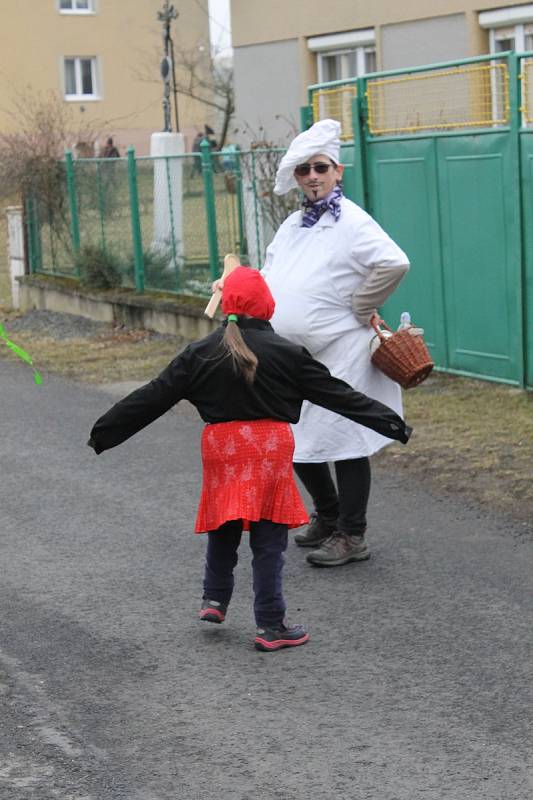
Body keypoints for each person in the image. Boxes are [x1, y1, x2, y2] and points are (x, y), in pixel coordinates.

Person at [87, 267, 411, 651]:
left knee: (224, 521)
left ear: (227, 307)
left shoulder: (200, 352)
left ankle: (214, 600)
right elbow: (338, 395)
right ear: (268, 306)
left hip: (222, 450)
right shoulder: (288, 354)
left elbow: (154, 396)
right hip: (268, 449)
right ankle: (271, 624)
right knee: (268, 538)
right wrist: (392, 424)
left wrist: (104, 432)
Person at [261, 118, 410, 567]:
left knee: (344, 440)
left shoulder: (353, 221)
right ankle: (327, 517)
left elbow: (394, 262)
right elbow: (270, 272)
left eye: (320, 167)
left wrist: (361, 306)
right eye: (304, 169)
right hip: (295, 356)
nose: (312, 176)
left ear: (338, 171)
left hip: (342, 350)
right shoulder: (292, 224)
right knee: (297, 437)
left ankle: (352, 534)